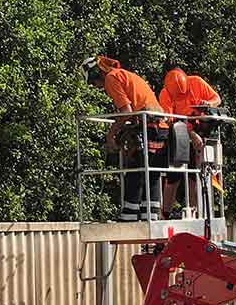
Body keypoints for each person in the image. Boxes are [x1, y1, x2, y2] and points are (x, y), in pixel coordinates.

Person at [81, 56, 167, 221]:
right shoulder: (125, 74)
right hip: (160, 127)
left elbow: (126, 111)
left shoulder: (111, 78)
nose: (96, 86)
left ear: (96, 74)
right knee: (152, 172)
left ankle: (129, 215)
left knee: (135, 170)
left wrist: (111, 134)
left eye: (93, 82)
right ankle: (150, 214)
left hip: (148, 126)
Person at [158, 68, 222, 218]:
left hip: (201, 131)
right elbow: (171, 120)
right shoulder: (165, 94)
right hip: (177, 134)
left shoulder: (197, 82)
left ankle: (196, 212)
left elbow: (217, 99)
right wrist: (191, 134)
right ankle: (165, 214)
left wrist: (208, 103)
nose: (181, 96)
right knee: (174, 176)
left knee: (195, 176)